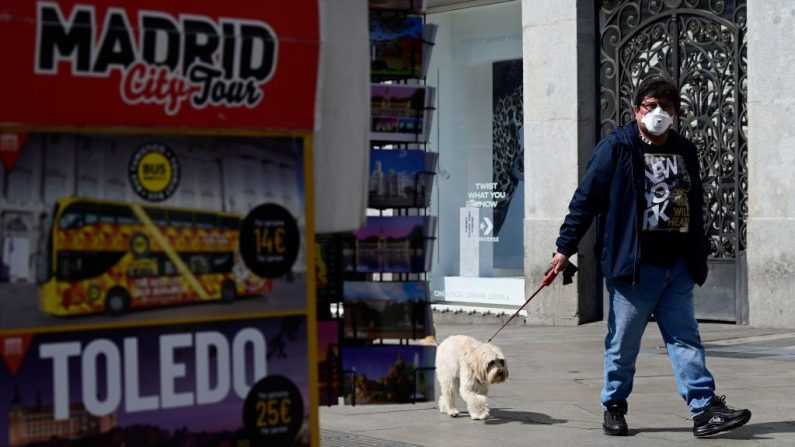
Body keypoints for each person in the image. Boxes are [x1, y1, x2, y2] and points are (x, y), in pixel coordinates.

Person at [549, 76, 751, 437]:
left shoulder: (685, 150)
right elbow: (586, 200)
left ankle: (704, 410)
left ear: (675, 113)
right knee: (623, 345)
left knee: (685, 339)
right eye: (650, 105)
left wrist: (697, 254)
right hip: (634, 269)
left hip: (677, 267)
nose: (658, 113)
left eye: (666, 107)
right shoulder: (617, 148)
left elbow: (696, 202)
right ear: (636, 109)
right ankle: (614, 405)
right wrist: (565, 248)